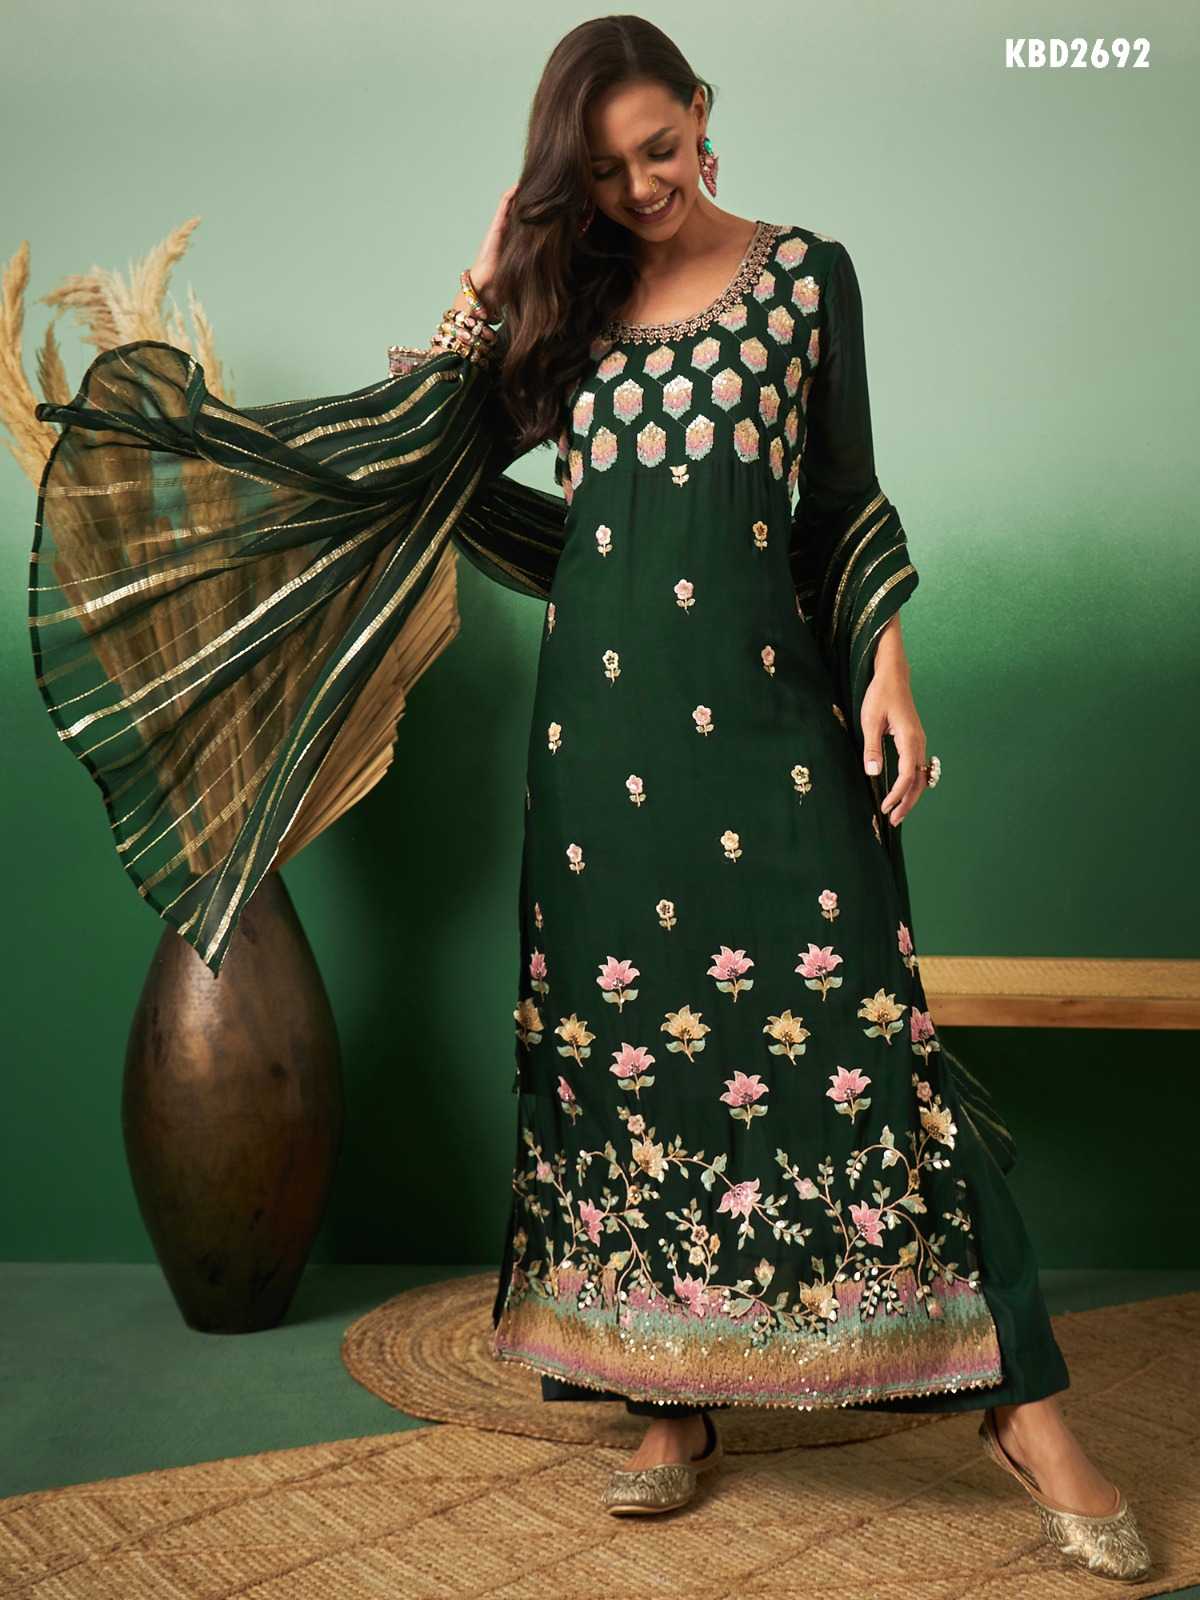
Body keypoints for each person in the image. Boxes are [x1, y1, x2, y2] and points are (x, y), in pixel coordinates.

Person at [27, 15, 1150, 1580]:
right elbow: (420, 454)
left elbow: (840, 503)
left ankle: (1026, 1415)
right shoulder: (567, 304)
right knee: (633, 1061)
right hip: (604, 749)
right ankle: (666, 1402)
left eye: (662, 150)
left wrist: (889, 664)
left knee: (868, 1046)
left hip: (774, 725)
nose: (643, 188)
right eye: (608, 171)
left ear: (704, 112)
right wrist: (489, 283)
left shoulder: (807, 279)